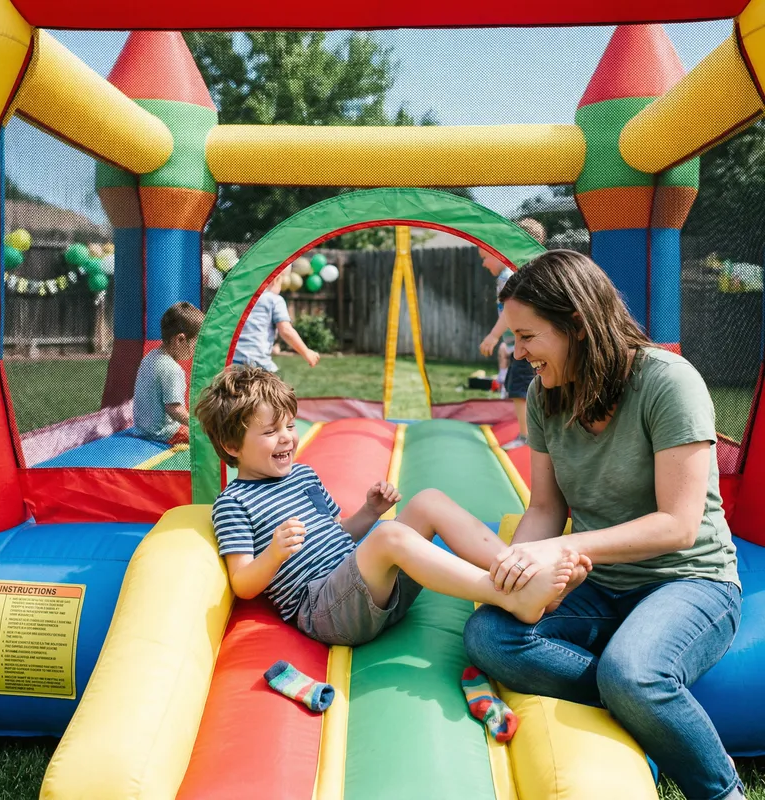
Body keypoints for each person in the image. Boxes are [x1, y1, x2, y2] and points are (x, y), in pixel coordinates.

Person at [463, 250, 743, 800]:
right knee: (490, 636)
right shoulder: (544, 396)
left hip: (690, 580)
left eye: (527, 337)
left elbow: (678, 525)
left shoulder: (667, 382)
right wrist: (515, 572)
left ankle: (721, 790)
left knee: (632, 674)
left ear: (577, 326)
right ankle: (646, 708)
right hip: (600, 585)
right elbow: (545, 507)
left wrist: (563, 551)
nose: (517, 352)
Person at [194, 365, 589, 647]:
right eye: (270, 432)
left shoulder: (303, 476)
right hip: (327, 610)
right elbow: (243, 583)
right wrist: (275, 554)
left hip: (369, 587)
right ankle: (507, 595)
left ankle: (518, 572)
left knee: (427, 501)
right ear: (232, 447)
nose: (286, 439)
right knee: (389, 536)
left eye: (290, 426)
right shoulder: (234, 503)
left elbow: (339, 534)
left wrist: (368, 512)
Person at [479, 217, 546, 449]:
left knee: (519, 387)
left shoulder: (511, 276)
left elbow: (509, 313)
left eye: (485, 257)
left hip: (527, 343)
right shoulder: (530, 271)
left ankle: (526, 437)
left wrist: (494, 336)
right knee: (528, 384)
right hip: (529, 341)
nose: (483, 264)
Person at [132, 301, 204, 444]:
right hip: (163, 433)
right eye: (196, 345)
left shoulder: (150, 357)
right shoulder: (172, 369)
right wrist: (199, 427)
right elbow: (174, 408)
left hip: (141, 429)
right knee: (209, 439)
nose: (196, 351)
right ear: (180, 339)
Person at [233, 270, 320, 371]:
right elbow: (286, 330)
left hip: (233, 361)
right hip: (257, 362)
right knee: (275, 385)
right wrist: (306, 352)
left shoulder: (241, 299)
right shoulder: (274, 300)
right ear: (275, 281)